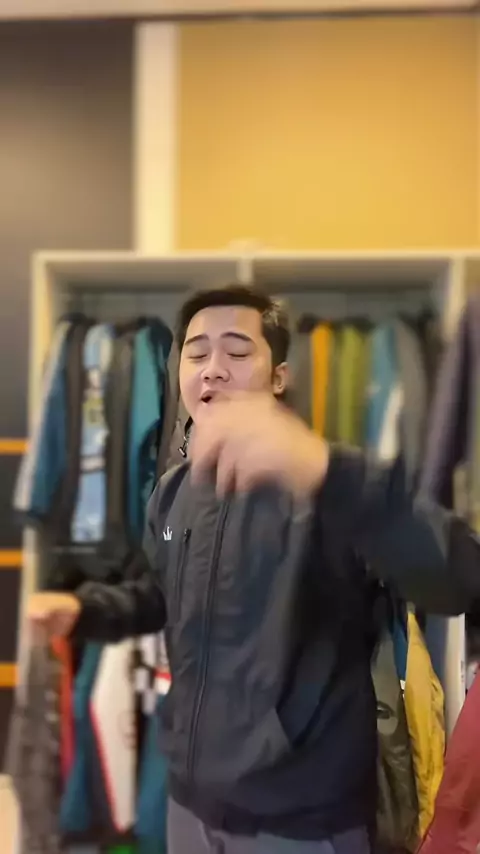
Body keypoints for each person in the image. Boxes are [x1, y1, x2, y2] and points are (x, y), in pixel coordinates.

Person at [27, 284, 480, 854]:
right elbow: (162, 596)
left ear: (279, 376)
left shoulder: (325, 483)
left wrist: (325, 471)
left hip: (300, 821)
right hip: (189, 804)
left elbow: (459, 576)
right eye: (196, 353)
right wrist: (86, 608)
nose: (213, 368)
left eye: (238, 352)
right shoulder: (172, 492)